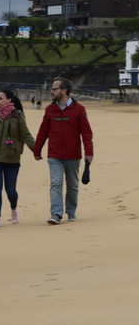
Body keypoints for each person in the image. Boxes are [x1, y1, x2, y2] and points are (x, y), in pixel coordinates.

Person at [33, 77, 94, 224]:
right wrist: (37, 150)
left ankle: (71, 211)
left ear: (64, 90)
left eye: (54, 89)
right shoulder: (50, 109)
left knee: (72, 185)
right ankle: (56, 214)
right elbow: (43, 131)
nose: (52, 91)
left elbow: (86, 133)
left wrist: (89, 152)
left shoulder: (79, 109)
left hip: (73, 155)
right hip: (54, 155)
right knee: (56, 183)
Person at [0, 89, 37, 228]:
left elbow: (26, 135)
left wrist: (36, 150)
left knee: (11, 190)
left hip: (11, 158)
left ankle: (13, 208)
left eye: (0, 98)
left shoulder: (18, 116)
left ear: (9, 100)